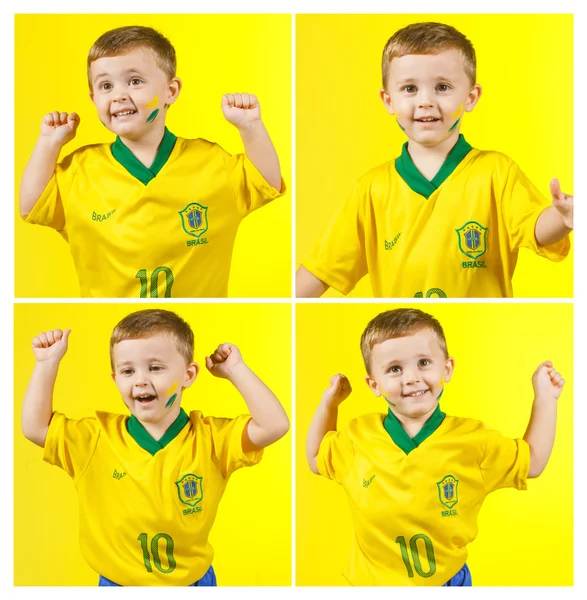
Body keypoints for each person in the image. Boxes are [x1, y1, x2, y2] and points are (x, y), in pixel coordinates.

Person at [297, 22, 572, 298]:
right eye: (409, 89)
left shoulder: (497, 172)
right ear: (388, 100)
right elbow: (321, 270)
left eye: (442, 87)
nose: (426, 101)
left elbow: (536, 229)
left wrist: (564, 217)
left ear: (470, 97)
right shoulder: (372, 189)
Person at [21, 309, 290, 585]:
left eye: (155, 367)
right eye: (128, 370)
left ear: (188, 375)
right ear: (115, 379)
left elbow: (275, 425)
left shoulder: (212, 440)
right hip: (118, 583)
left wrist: (236, 370)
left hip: (193, 582)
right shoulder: (95, 437)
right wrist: (46, 364)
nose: (140, 380)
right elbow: (35, 428)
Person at [20, 25, 284, 298]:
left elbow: (266, 181)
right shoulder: (80, 169)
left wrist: (251, 127)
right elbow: (31, 207)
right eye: (106, 85)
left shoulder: (212, 161)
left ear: (171, 91)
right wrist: (48, 143)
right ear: (93, 98)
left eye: (134, 81)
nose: (118, 95)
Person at [306, 308, 564, 585]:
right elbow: (315, 457)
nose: (411, 378)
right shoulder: (359, 435)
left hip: (446, 582)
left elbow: (532, 462)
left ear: (447, 368)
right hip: (373, 584)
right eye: (395, 369)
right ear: (374, 384)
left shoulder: (474, 441)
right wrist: (329, 404)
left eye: (424, 363)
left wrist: (546, 399)